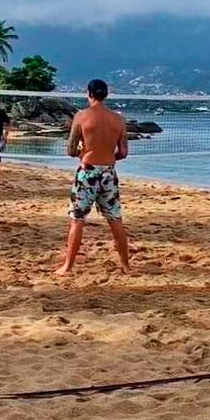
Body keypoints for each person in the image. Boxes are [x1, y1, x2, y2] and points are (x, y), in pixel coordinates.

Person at [57, 78, 130, 275]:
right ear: (106, 94)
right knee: (115, 219)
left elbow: (71, 149)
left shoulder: (81, 117)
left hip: (87, 172)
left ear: (89, 94)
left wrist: (84, 152)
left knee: (77, 220)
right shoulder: (119, 120)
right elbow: (123, 152)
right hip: (108, 173)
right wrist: (107, 157)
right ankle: (125, 266)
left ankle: (68, 267)